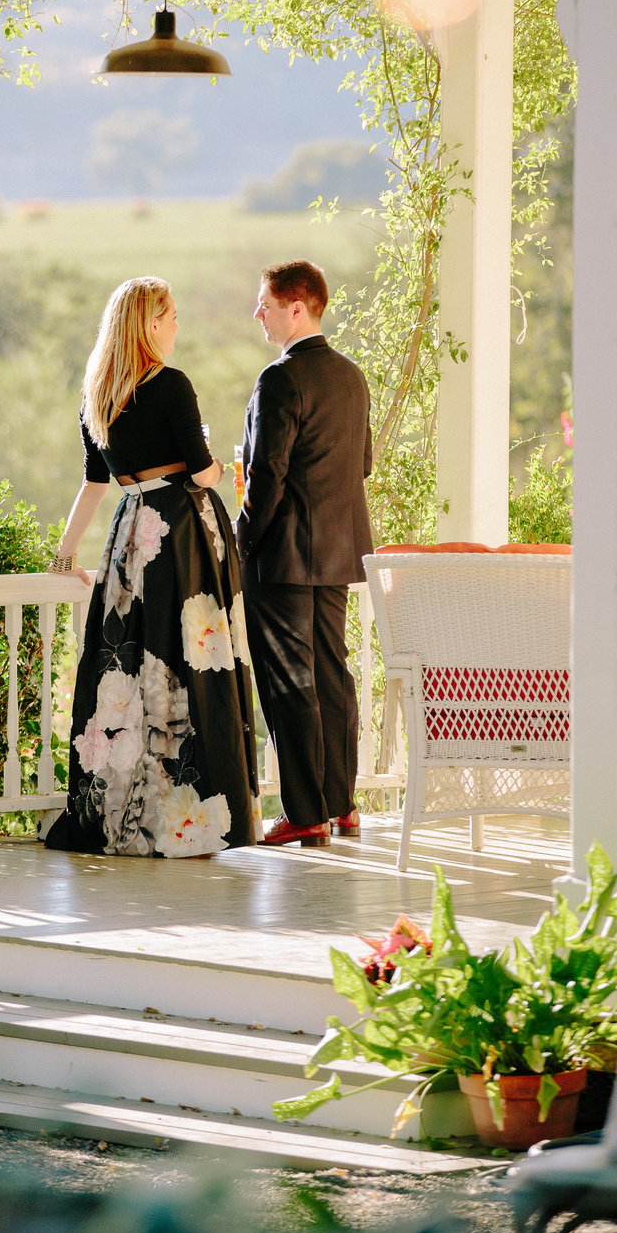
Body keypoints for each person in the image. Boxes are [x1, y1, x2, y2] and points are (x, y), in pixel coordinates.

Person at [44, 277, 260, 858]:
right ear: (149, 324)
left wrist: (66, 555)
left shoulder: (98, 397)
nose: (176, 326)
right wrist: (221, 470)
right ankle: (195, 816)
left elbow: (93, 485)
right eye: (170, 316)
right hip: (183, 533)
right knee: (192, 664)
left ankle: (125, 816)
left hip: (131, 532)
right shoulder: (172, 385)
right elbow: (195, 470)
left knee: (134, 663)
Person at [235, 260, 374, 849]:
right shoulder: (352, 377)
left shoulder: (279, 378)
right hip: (338, 551)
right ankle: (341, 805)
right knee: (332, 675)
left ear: (297, 307)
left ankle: (305, 812)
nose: (257, 313)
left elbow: (267, 475)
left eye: (264, 303)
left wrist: (239, 540)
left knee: (289, 683)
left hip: (285, 556)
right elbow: (362, 463)